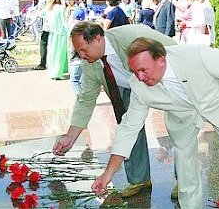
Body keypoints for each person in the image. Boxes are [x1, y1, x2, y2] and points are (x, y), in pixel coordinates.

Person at [91, 37, 219, 208]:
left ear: (161, 60)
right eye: (134, 72)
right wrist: (108, 173)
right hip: (182, 119)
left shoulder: (196, 55)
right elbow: (128, 127)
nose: (139, 77)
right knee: (185, 168)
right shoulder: (139, 85)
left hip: (217, 105)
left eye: (143, 70)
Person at [52, 22, 177, 198]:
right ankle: (139, 179)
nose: (81, 55)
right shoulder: (90, 62)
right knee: (128, 128)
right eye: (78, 51)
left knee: (179, 126)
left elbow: (171, 50)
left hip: (163, 78)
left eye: (83, 49)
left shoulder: (132, 37)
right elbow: (85, 99)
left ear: (97, 38)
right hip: (127, 87)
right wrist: (70, 137)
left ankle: (184, 181)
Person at [46, 0, 69, 80]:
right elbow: (64, 21)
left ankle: (52, 72)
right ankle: (58, 73)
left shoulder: (49, 7)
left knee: (53, 53)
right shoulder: (60, 8)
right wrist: (69, 31)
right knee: (60, 53)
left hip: (52, 33)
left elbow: (42, 15)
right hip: (61, 33)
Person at [34, 0, 55, 70]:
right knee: (55, 44)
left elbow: (40, 12)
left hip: (47, 25)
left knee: (43, 43)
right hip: (57, 26)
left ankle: (42, 63)